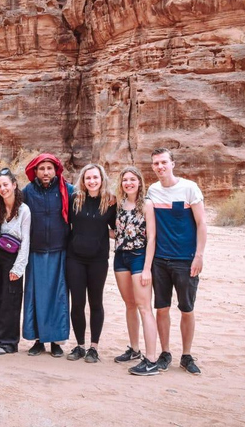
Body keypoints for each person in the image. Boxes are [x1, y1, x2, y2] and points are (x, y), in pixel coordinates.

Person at [145, 147, 207, 375]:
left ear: (173, 164)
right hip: (160, 260)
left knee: (186, 309)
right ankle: (165, 352)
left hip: (185, 259)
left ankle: (187, 355)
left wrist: (199, 255)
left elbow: (201, 223)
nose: (160, 167)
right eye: (155, 164)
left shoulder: (189, 188)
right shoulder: (152, 190)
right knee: (162, 309)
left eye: (163, 162)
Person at [22, 153, 74, 357]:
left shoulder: (67, 190)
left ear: (56, 170)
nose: (45, 172)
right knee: (35, 297)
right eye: (41, 168)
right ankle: (37, 340)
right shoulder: (28, 192)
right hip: (35, 252)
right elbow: (9, 201)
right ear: (35, 171)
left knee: (57, 297)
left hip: (59, 251)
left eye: (49, 168)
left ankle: (55, 342)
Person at [64, 164, 116, 364]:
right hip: (74, 258)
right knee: (77, 303)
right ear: (83, 181)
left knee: (96, 303)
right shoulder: (74, 199)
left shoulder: (110, 202)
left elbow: (115, 229)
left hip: (98, 259)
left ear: (101, 179)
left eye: (95, 177)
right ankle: (79, 345)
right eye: (88, 178)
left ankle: (94, 347)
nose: (92, 181)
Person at [112, 166, 160, 376]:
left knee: (144, 306)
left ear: (139, 182)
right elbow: (118, 233)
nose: (128, 183)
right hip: (120, 256)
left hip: (140, 258)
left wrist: (148, 268)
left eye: (132, 179)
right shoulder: (120, 205)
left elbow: (152, 238)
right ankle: (134, 349)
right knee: (130, 304)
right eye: (125, 180)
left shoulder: (146, 204)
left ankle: (151, 360)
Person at [0, 168, 31, 355]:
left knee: (10, 300)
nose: (3, 189)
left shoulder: (24, 210)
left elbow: (26, 240)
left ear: (14, 185)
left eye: (6, 185)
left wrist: (19, 268)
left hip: (14, 257)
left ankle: (8, 342)